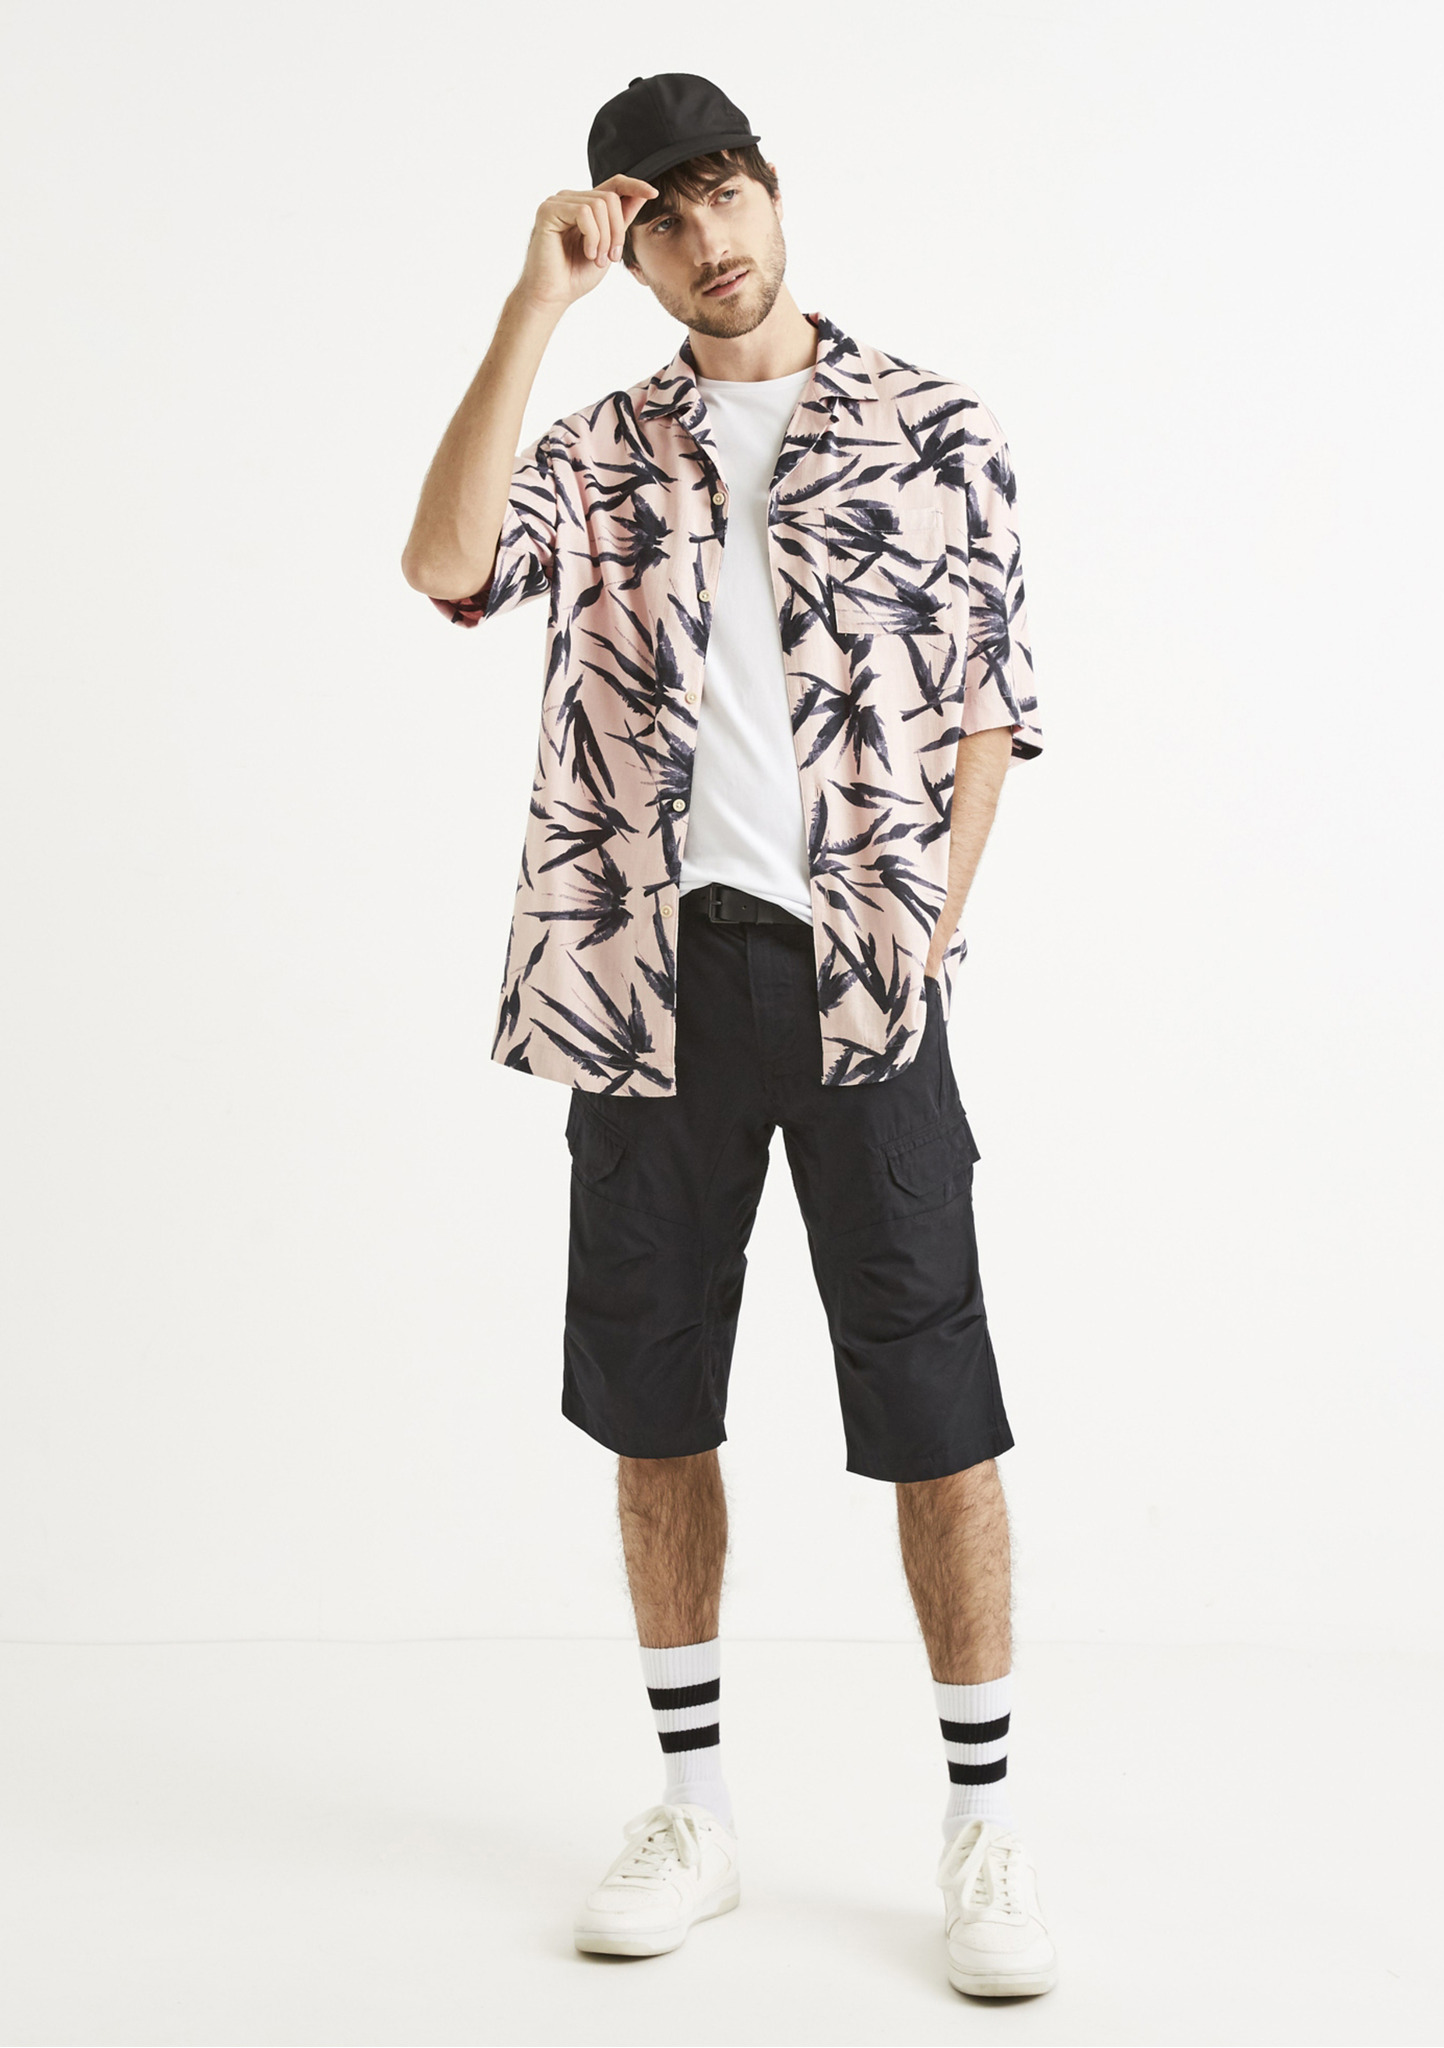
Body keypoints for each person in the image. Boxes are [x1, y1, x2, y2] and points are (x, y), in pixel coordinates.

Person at [401, 72, 1056, 2000]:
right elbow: (444, 564)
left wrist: (927, 934)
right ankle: (694, 1808)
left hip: (866, 982)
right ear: (635, 250)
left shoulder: (937, 428)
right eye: (662, 221)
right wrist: (533, 305)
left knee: (936, 1401)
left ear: (773, 189)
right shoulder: (602, 447)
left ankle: (983, 1827)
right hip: (645, 982)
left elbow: (992, 710)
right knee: (655, 1398)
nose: (708, 243)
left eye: (723, 197)